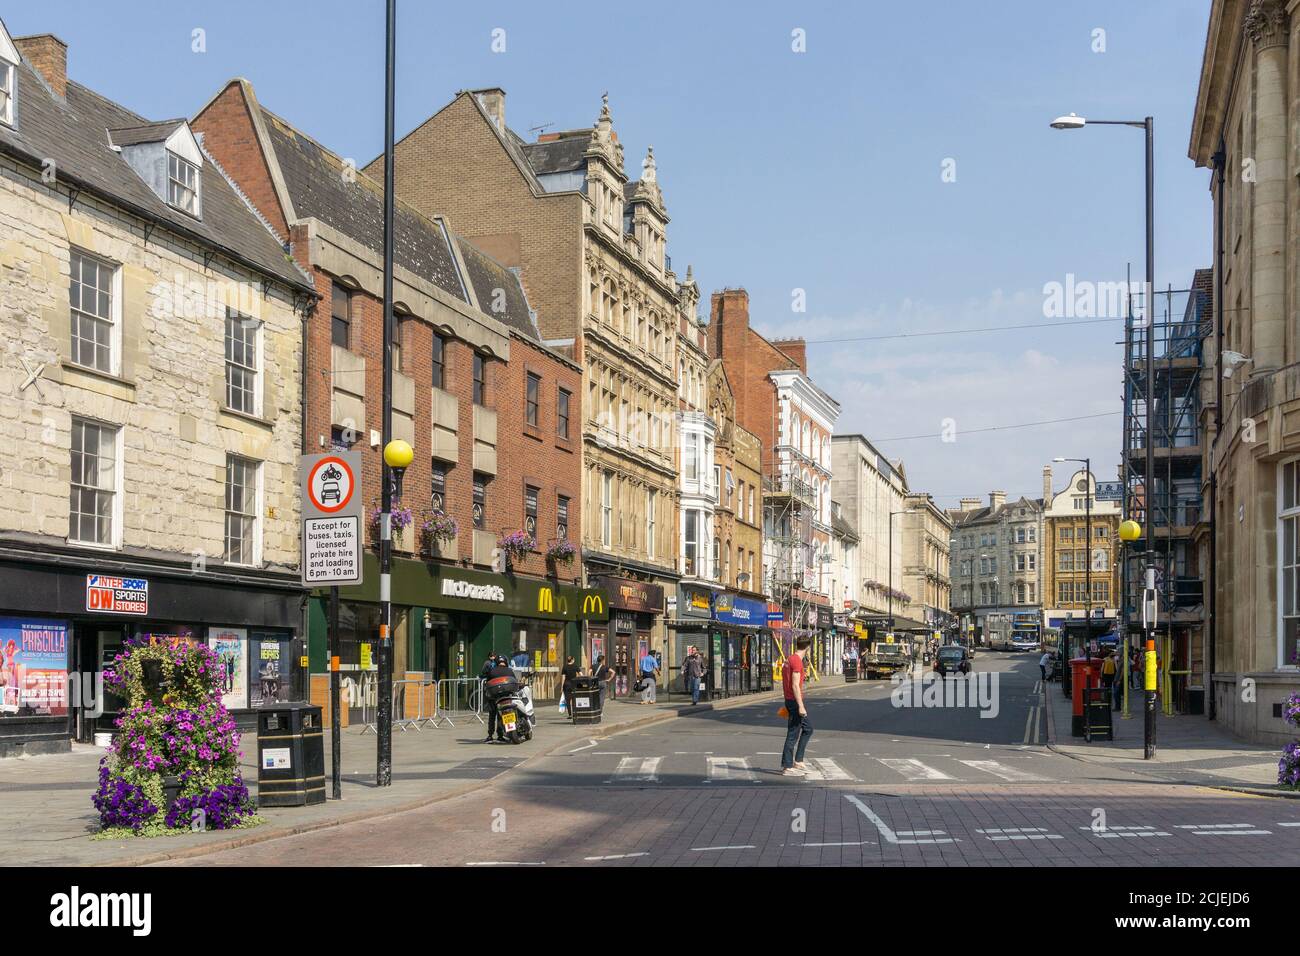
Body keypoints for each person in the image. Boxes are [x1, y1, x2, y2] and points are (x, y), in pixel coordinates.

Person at [780, 637, 813, 776]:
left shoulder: (789, 659)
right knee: (793, 733)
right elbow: (794, 685)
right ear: (807, 648)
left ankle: (798, 760)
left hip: (790, 699)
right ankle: (787, 766)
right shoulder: (797, 662)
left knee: (808, 729)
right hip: (794, 701)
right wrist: (801, 706)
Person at [482, 655, 514, 743]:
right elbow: (514, 682)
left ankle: (490, 735)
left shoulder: (492, 671)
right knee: (503, 715)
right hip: (506, 697)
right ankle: (501, 735)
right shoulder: (510, 671)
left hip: (494, 697)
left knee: (492, 716)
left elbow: (488, 683)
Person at [559, 654, 581, 719]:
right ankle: (575, 713)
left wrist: (561, 687)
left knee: (567, 700)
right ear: (573, 660)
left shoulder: (564, 667)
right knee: (574, 699)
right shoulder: (575, 666)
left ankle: (570, 714)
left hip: (566, 685)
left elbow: (563, 677)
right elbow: (581, 674)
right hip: (574, 684)